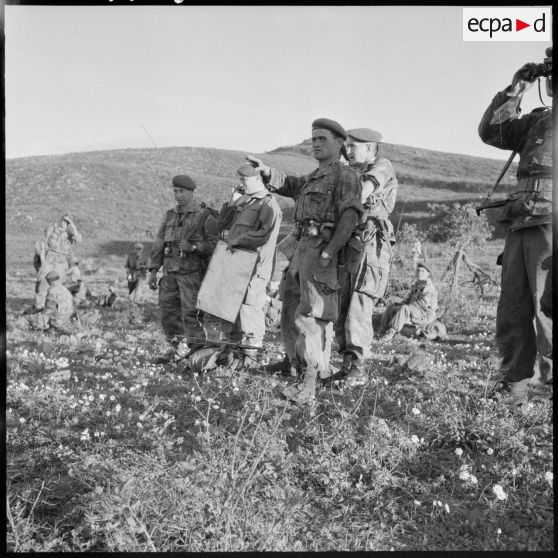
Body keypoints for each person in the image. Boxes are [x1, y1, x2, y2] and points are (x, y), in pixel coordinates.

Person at [246, 117, 363, 403]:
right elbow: (290, 184)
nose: (317, 144)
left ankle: (308, 384)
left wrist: (328, 252)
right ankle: (300, 371)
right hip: (301, 251)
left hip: (321, 251)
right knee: (290, 314)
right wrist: (266, 172)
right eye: (314, 139)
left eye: (323, 139)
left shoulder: (344, 176)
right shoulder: (315, 177)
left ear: (339, 143)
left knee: (312, 316)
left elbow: (350, 216)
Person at [478, 47, 553, 412]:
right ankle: (515, 385)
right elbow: (493, 132)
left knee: (548, 308)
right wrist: (516, 89)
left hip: (552, 224)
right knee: (513, 306)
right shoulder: (538, 120)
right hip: (522, 219)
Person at [333, 128, 398, 386]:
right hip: (349, 242)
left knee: (359, 305)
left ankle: (358, 369)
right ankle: (347, 364)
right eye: (346, 147)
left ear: (370, 149)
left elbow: (362, 192)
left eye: (353, 147)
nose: (348, 151)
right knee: (342, 304)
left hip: (371, 245)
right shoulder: (350, 170)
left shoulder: (381, 166)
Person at [148, 175, 218, 362]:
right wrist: (153, 270)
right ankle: (177, 349)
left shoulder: (205, 216)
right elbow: (159, 243)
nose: (178, 195)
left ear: (191, 191)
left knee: (190, 315)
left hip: (191, 274)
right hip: (169, 273)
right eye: (175, 191)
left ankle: (198, 354)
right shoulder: (170, 215)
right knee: (168, 314)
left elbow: (216, 245)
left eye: (182, 191)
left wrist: (194, 247)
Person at [213, 164, 282, 354]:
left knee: (249, 310)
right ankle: (233, 356)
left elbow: (266, 234)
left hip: (255, 267)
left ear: (258, 179)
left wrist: (238, 240)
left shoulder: (268, 204)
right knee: (232, 310)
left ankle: (250, 357)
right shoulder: (245, 202)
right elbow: (221, 225)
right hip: (237, 266)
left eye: (244, 180)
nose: (241, 184)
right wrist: (232, 203)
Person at [378, 263, 438, 342]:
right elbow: (408, 299)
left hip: (424, 313)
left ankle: (391, 333)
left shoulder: (428, 287)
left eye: (423, 271)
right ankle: (382, 329)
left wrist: (407, 306)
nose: (420, 273)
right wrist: (399, 304)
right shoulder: (418, 284)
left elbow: (423, 303)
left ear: (428, 274)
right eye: (418, 270)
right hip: (415, 310)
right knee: (392, 306)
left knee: (405, 308)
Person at [34, 214, 82, 310]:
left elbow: (78, 240)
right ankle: (39, 306)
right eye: (63, 221)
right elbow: (43, 242)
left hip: (61, 261)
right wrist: (42, 256)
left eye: (67, 222)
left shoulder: (70, 235)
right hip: (49, 259)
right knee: (43, 282)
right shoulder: (52, 229)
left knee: (57, 283)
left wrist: (72, 225)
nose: (64, 223)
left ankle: (54, 307)